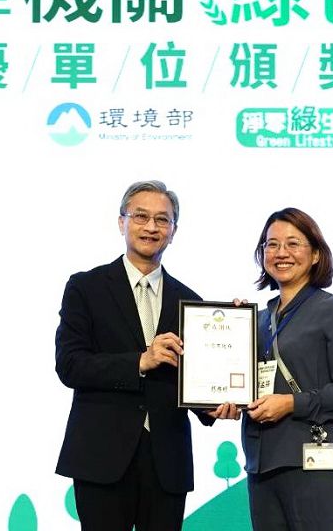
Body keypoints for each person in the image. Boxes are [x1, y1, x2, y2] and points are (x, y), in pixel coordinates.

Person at [55, 180, 237, 531]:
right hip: (101, 457)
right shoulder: (85, 287)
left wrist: (214, 407)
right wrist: (140, 361)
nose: (151, 227)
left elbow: (192, 378)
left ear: (173, 231)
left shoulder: (191, 303)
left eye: (162, 220)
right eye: (141, 216)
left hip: (167, 460)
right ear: (121, 222)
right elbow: (70, 365)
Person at [242, 207, 333, 531]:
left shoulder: (332, 310)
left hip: (314, 463)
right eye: (272, 245)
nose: (281, 253)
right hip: (262, 466)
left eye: (293, 244)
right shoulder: (257, 320)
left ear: (315, 255)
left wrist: (291, 403)